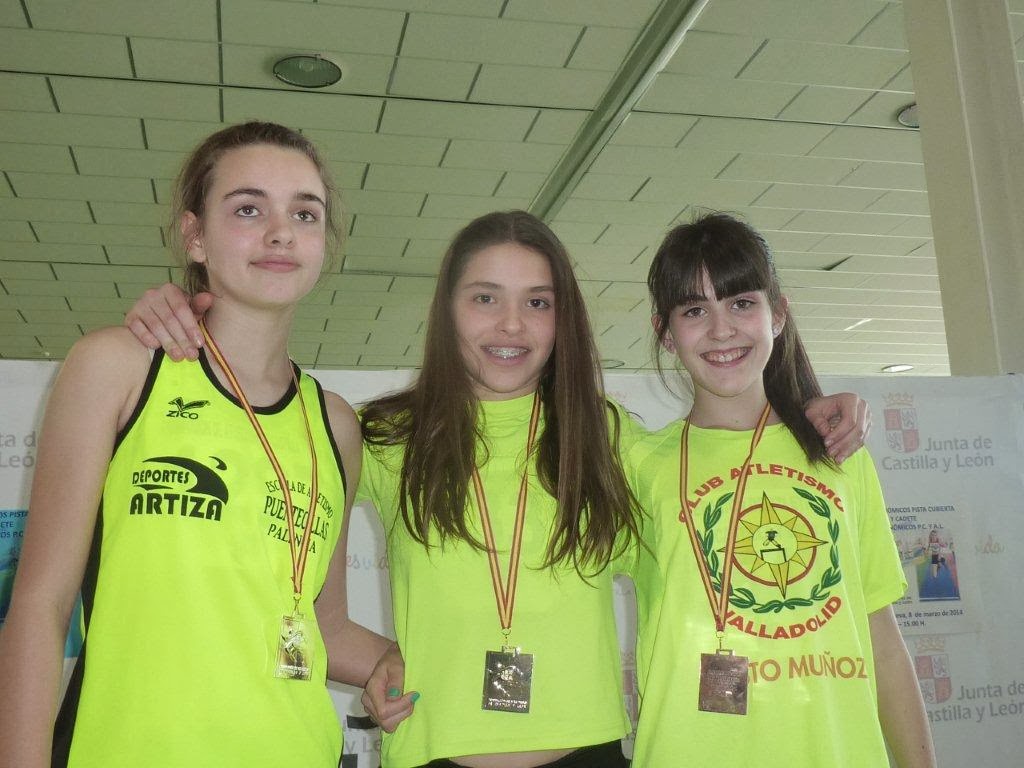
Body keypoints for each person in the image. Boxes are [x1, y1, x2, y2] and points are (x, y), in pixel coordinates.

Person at [117, 211, 870, 768]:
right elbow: (260, 443)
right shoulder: (384, 438)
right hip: (432, 754)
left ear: (563, 319)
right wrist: (187, 317)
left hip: (588, 756)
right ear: (447, 309)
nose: (511, 325)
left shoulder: (608, 440)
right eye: (485, 298)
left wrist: (809, 413)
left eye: (538, 302)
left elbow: (723, 456)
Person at [0, 122, 396, 768]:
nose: (281, 232)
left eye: (305, 213)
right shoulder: (119, 369)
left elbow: (322, 624)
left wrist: (399, 660)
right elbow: (42, 605)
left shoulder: (334, 425)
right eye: (248, 209)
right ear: (194, 235)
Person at [626, 212, 935, 767]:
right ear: (665, 333)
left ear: (779, 314)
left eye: (741, 303)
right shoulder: (639, 465)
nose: (721, 330)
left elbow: (882, 639)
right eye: (694, 311)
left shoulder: (839, 454)